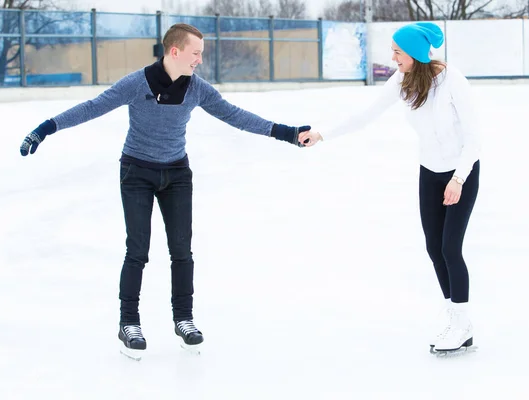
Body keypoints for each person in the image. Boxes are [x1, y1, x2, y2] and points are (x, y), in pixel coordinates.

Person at [20, 23, 321, 359]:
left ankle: (184, 319)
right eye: (196, 53)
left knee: (182, 250)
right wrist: (45, 128)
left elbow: (234, 115)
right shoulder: (137, 83)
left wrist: (287, 132)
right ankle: (128, 322)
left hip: (177, 173)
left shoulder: (197, 89)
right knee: (137, 250)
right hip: (136, 172)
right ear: (174, 51)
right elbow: (93, 107)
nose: (200, 61)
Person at [299, 22, 481, 354]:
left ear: (414, 54)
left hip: (461, 172)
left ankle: (463, 323)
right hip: (430, 172)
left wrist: (458, 180)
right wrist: (323, 133)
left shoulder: (453, 81)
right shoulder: (403, 80)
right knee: (433, 247)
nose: (393, 57)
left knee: (451, 248)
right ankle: (456, 321)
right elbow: (365, 115)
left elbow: (473, 138)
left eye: (398, 51)